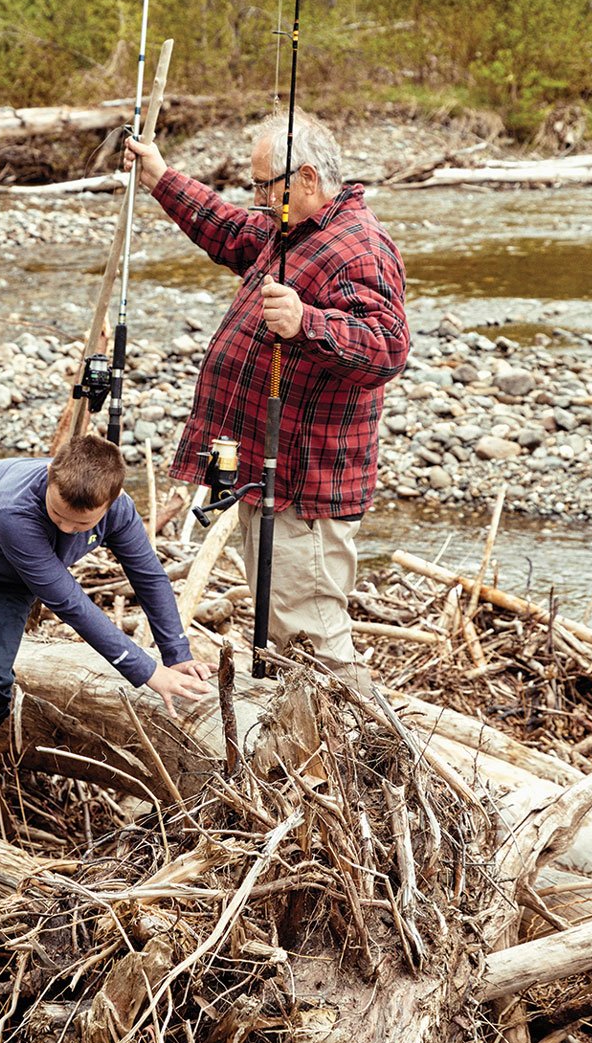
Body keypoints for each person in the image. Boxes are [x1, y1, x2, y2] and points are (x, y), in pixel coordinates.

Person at [124, 111, 408, 670]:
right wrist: (160, 177)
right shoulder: (292, 230)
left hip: (308, 489)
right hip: (269, 473)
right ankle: (299, 743)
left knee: (312, 639)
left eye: (263, 186)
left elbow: (387, 348)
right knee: (281, 626)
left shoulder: (358, 247)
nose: (255, 198)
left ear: (305, 178)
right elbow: (228, 229)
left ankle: (360, 749)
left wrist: (307, 322)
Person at [0, 434, 212, 843]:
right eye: (58, 514)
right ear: (49, 478)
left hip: (5, 583)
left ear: (111, 502)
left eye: (82, 525)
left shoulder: (120, 511)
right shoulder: (14, 509)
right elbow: (70, 602)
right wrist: (147, 671)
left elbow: (149, 576)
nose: (65, 528)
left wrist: (176, 654)